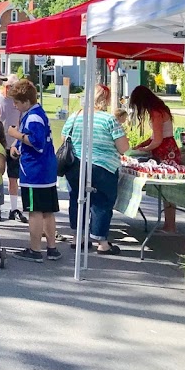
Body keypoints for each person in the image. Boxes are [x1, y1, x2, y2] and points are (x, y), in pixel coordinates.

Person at [62, 85, 130, 255]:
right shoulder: (109, 120)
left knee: (77, 200)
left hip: (76, 165)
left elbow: (64, 140)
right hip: (102, 166)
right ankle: (101, 241)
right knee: (102, 202)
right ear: (105, 100)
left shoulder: (74, 117)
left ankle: (78, 237)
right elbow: (123, 147)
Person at [5, 78, 60, 262]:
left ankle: (35, 250)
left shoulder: (33, 116)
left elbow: (37, 142)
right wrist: (17, 145)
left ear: (26, 101)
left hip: (35, 172)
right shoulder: (37, 113)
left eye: (17, 102)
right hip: (46, 170)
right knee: (47, 211)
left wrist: (15, 134)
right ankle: (52, 248)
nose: (15, 105)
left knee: (35, 211)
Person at [0, 73, 27, 223]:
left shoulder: (17, 103)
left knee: (14, 177)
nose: (13, 91)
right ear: (5, 87)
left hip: (13, 144)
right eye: (11, 88)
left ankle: (14, 208)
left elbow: (20, 120)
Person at [129, 85, 180, 162]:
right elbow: (155, 135)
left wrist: (144, 149)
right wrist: (142, 144)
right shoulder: (159, 110)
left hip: (165, 149)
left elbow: (157, 140)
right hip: (166, 146)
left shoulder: (157, 113)